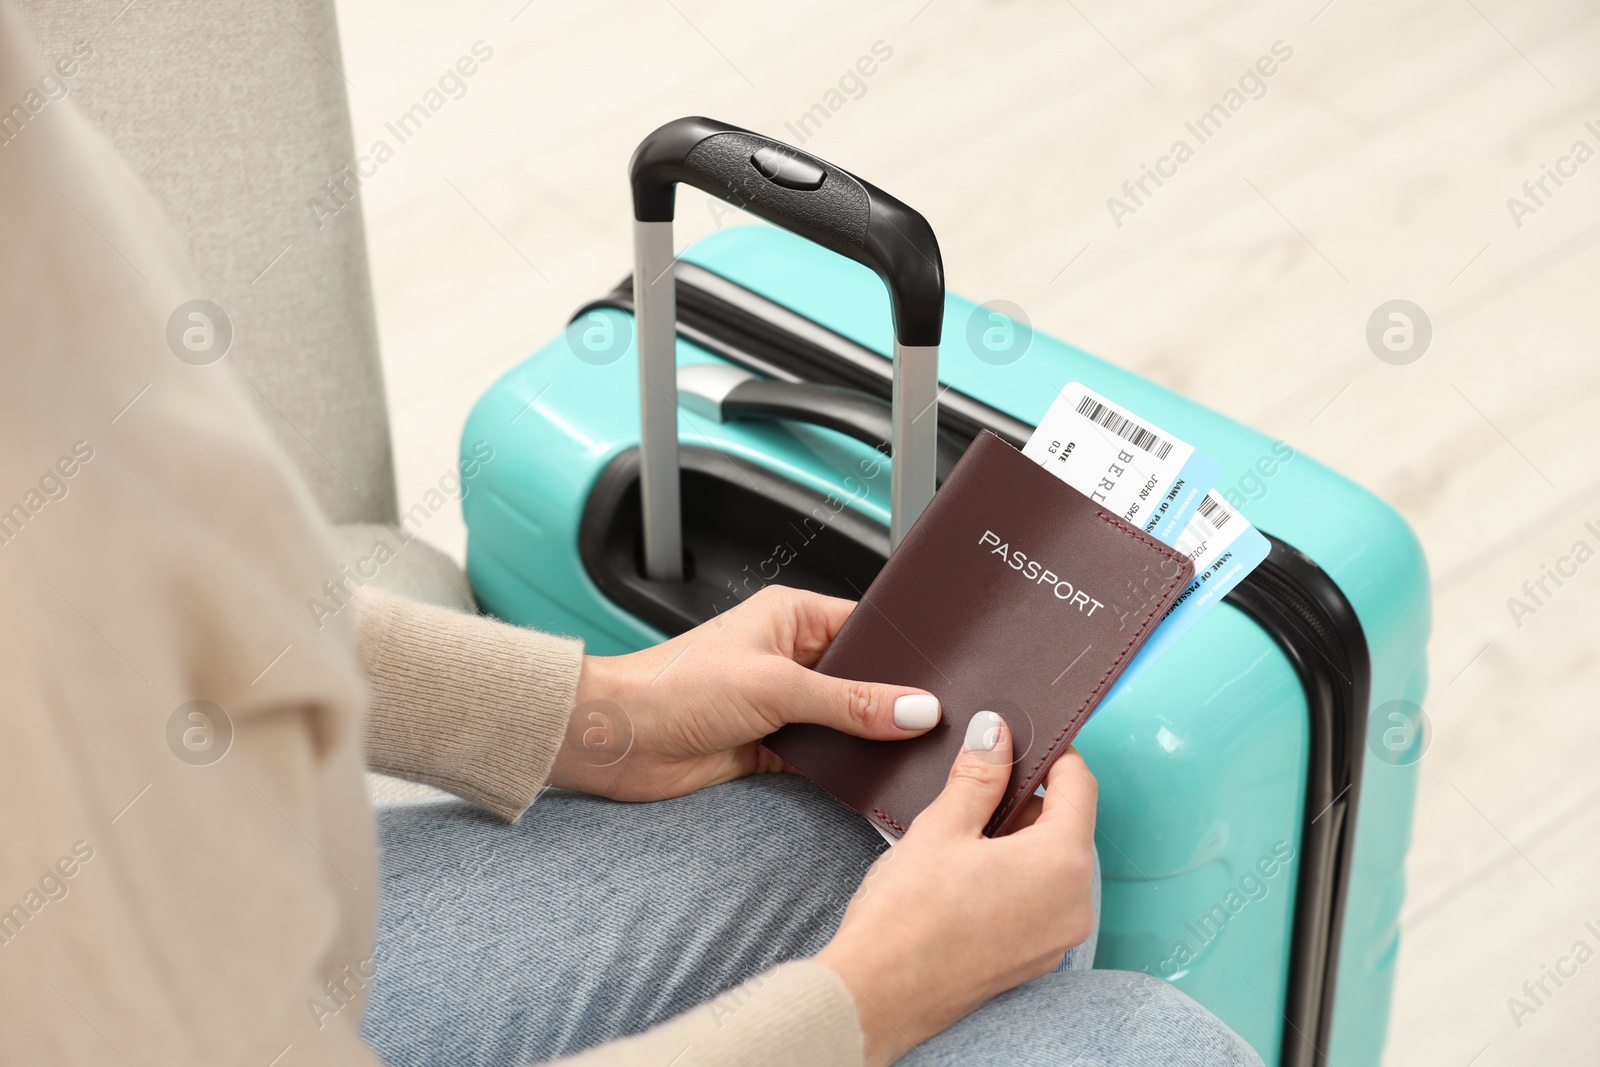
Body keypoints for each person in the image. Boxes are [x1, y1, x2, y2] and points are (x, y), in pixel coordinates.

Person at [0, 5, 1261, 1063]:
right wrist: (863, 1003)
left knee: (828, 829)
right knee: (1145, 1041)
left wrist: (582, 708)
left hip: (222, 916)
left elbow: (120, 573)